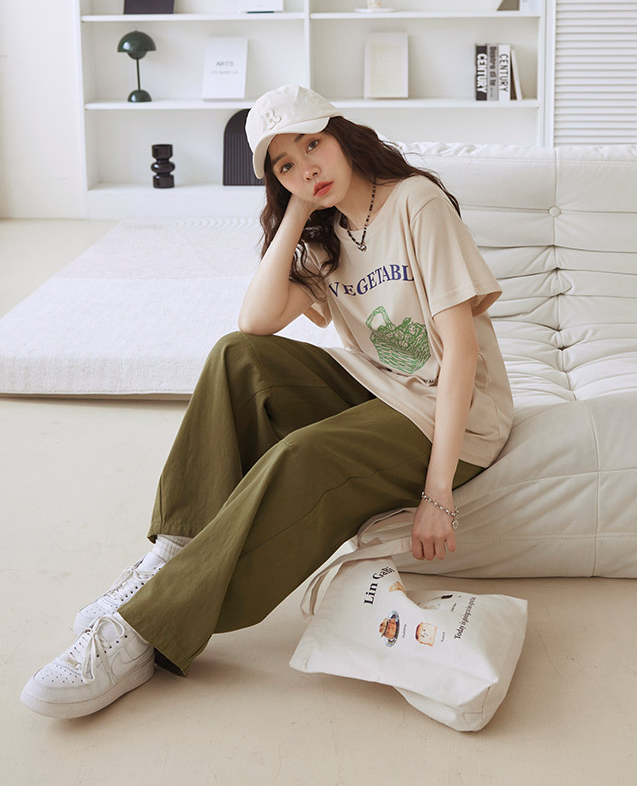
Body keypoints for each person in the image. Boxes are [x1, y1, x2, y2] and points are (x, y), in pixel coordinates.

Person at [21, 84, 513, 719]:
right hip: (380, 386)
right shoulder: (325, 232)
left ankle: (145, 628)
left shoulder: (415, 202)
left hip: (459, 416)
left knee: (303, 454)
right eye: (285, 165)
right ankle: (172, 552)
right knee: (237, 355)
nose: (307, 167)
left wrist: (437, 494)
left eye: (313, 145)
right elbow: (255, 322)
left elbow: (461, 352)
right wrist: (296, 215)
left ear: (342, 137)